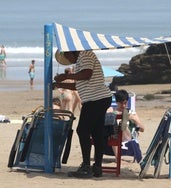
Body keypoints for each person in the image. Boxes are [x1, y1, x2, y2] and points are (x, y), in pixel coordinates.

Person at [53, 50, 112, 178]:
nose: (68, 60)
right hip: (98, 99)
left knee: (82, 130)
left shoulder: (85, 55)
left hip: (95, 99)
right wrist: (59, 84)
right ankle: (97, 167)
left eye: (67, 57)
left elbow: (87, 74)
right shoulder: (80, 62)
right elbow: (79, 85)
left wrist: (66, 76)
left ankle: (86, 166)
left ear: (70, 52)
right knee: (97, 132)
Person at [106, 89, 144, 160]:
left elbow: (142, 129)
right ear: (117, 102)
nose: (123, 105)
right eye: (121, 103)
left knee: (122, 125)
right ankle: (122, 124)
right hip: (113, 142)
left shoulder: (132, 113)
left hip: (128, 140)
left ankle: (123, 123)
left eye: (125, 103)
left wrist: (134, 120)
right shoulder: (112, 112)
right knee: (111, 122)